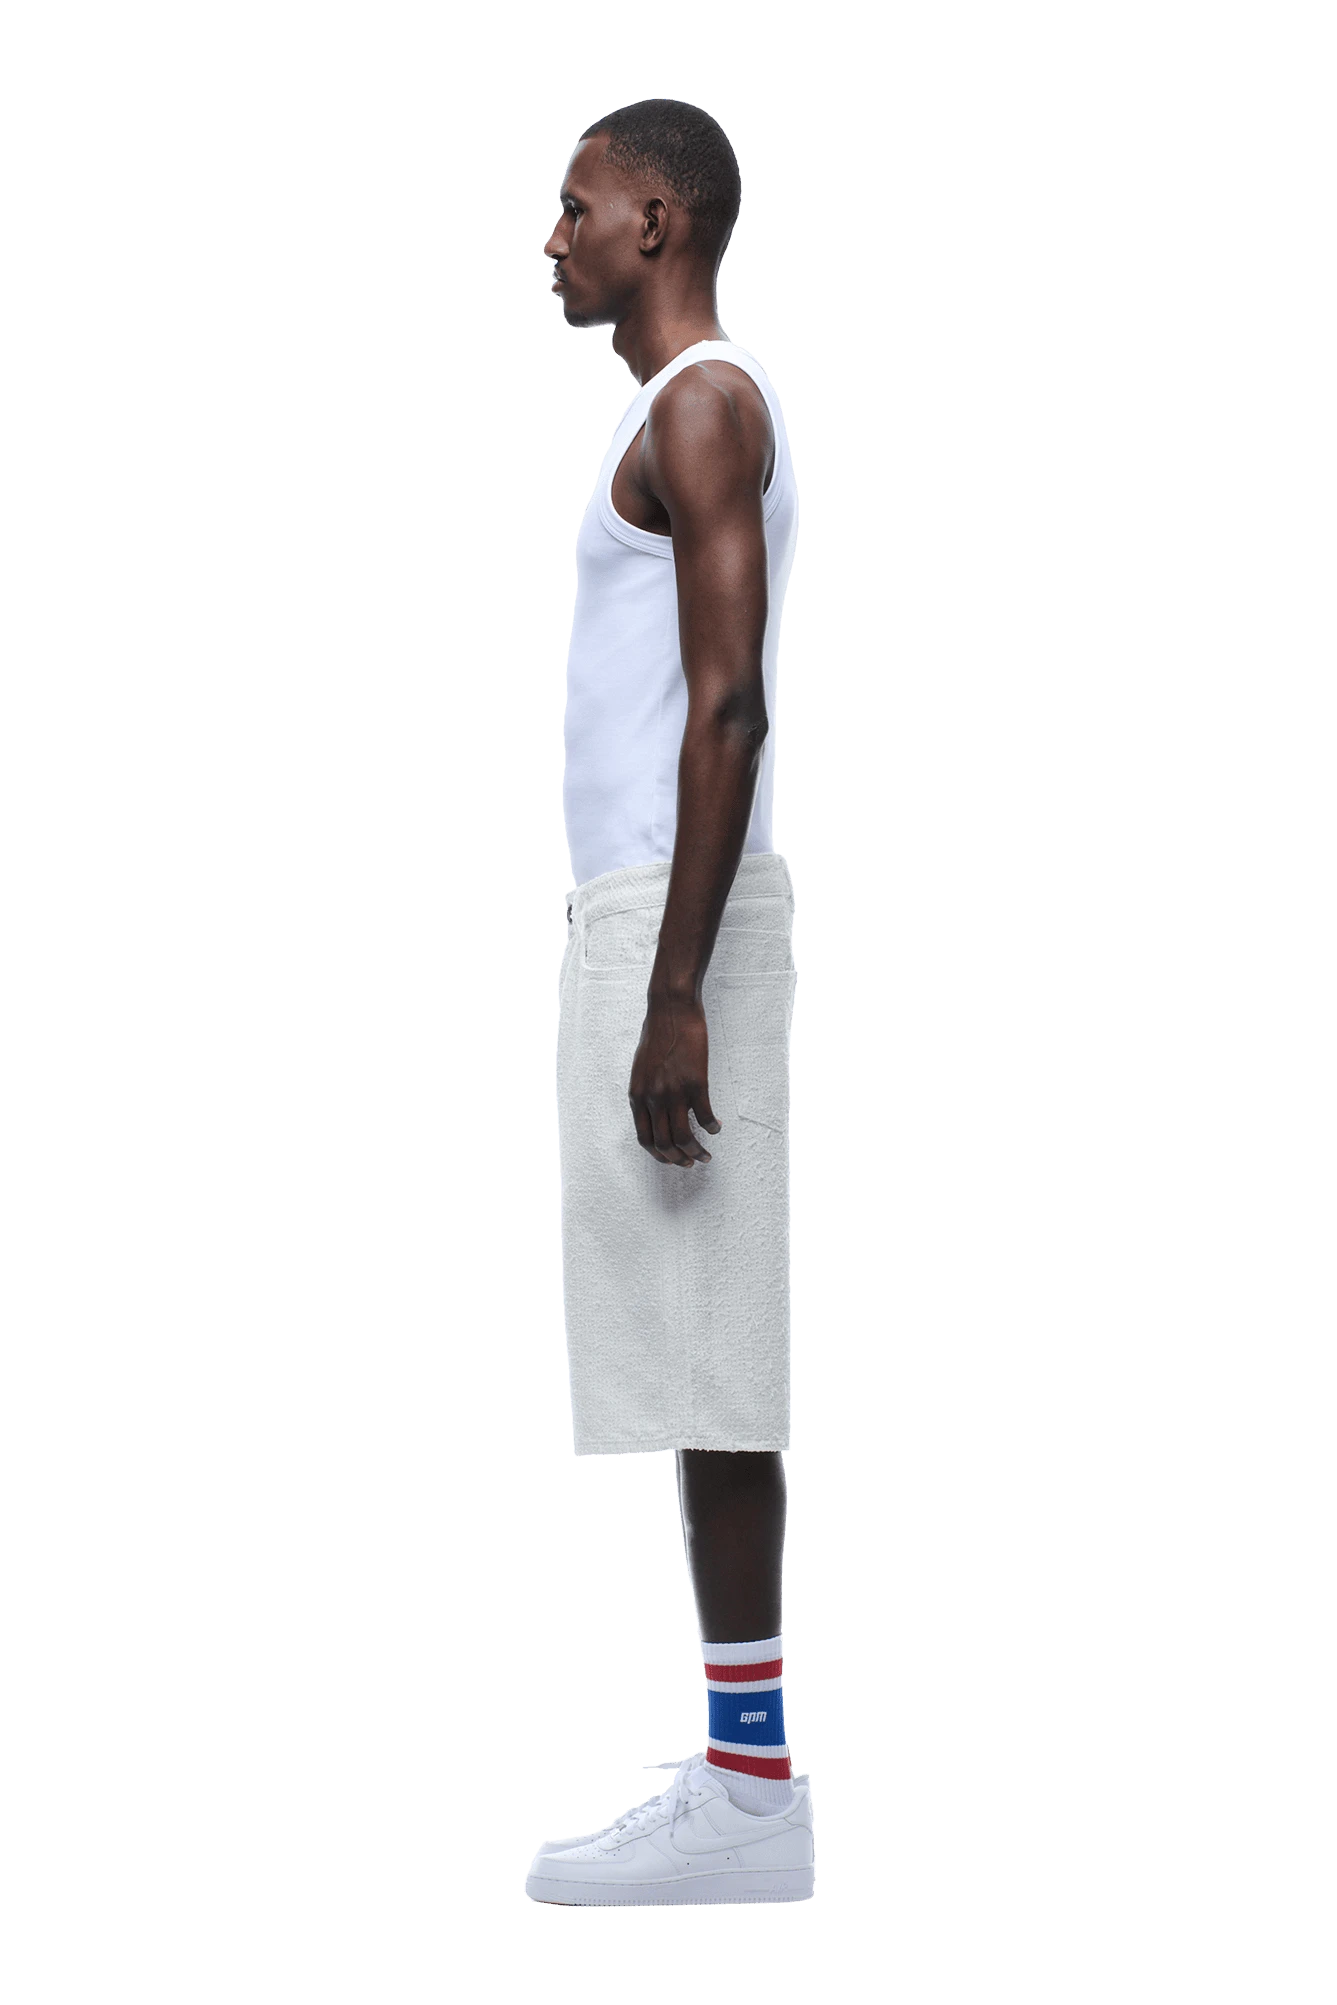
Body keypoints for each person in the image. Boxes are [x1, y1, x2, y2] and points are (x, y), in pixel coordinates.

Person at [534, 102, 812, 1908]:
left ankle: (750, 1790)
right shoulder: (669, 414)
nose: (553, 237)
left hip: (682, 929)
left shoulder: (707, 403)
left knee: (715, 1348)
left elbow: (730, 705)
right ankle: (739, 1768)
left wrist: (678, 991)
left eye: (575, 209)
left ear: (657, 219)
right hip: (652, 918)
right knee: (686, 1354)